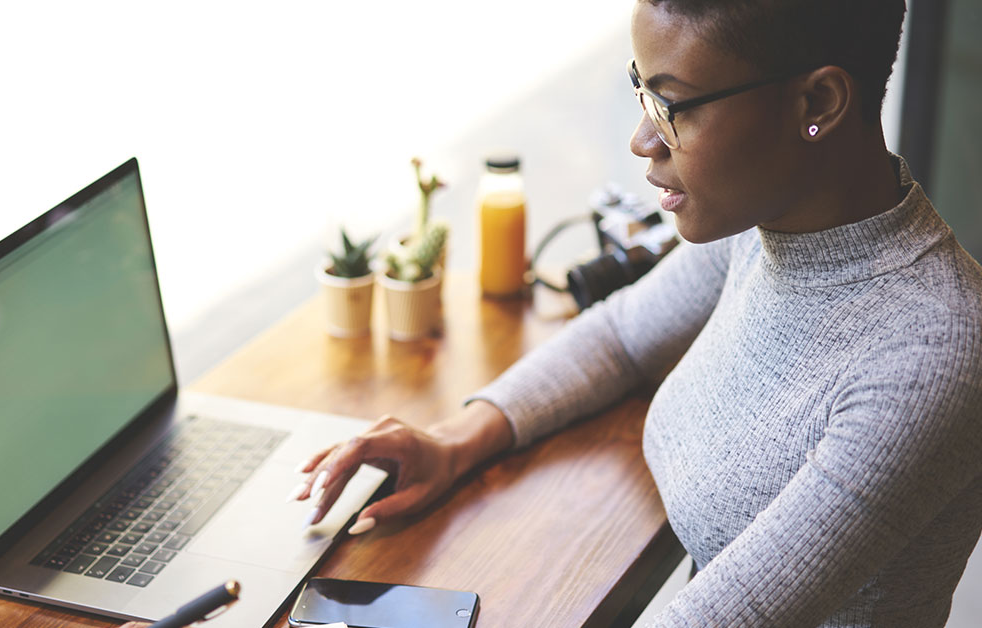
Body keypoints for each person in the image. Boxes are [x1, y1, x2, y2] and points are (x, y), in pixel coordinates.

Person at [289, 0, 982, 626]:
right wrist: (458, 439)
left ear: (820, 102)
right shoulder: (769, 221)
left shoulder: (930, 354)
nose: (643, 141)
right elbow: (620, 337)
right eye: (642, 90)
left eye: (674, 105)